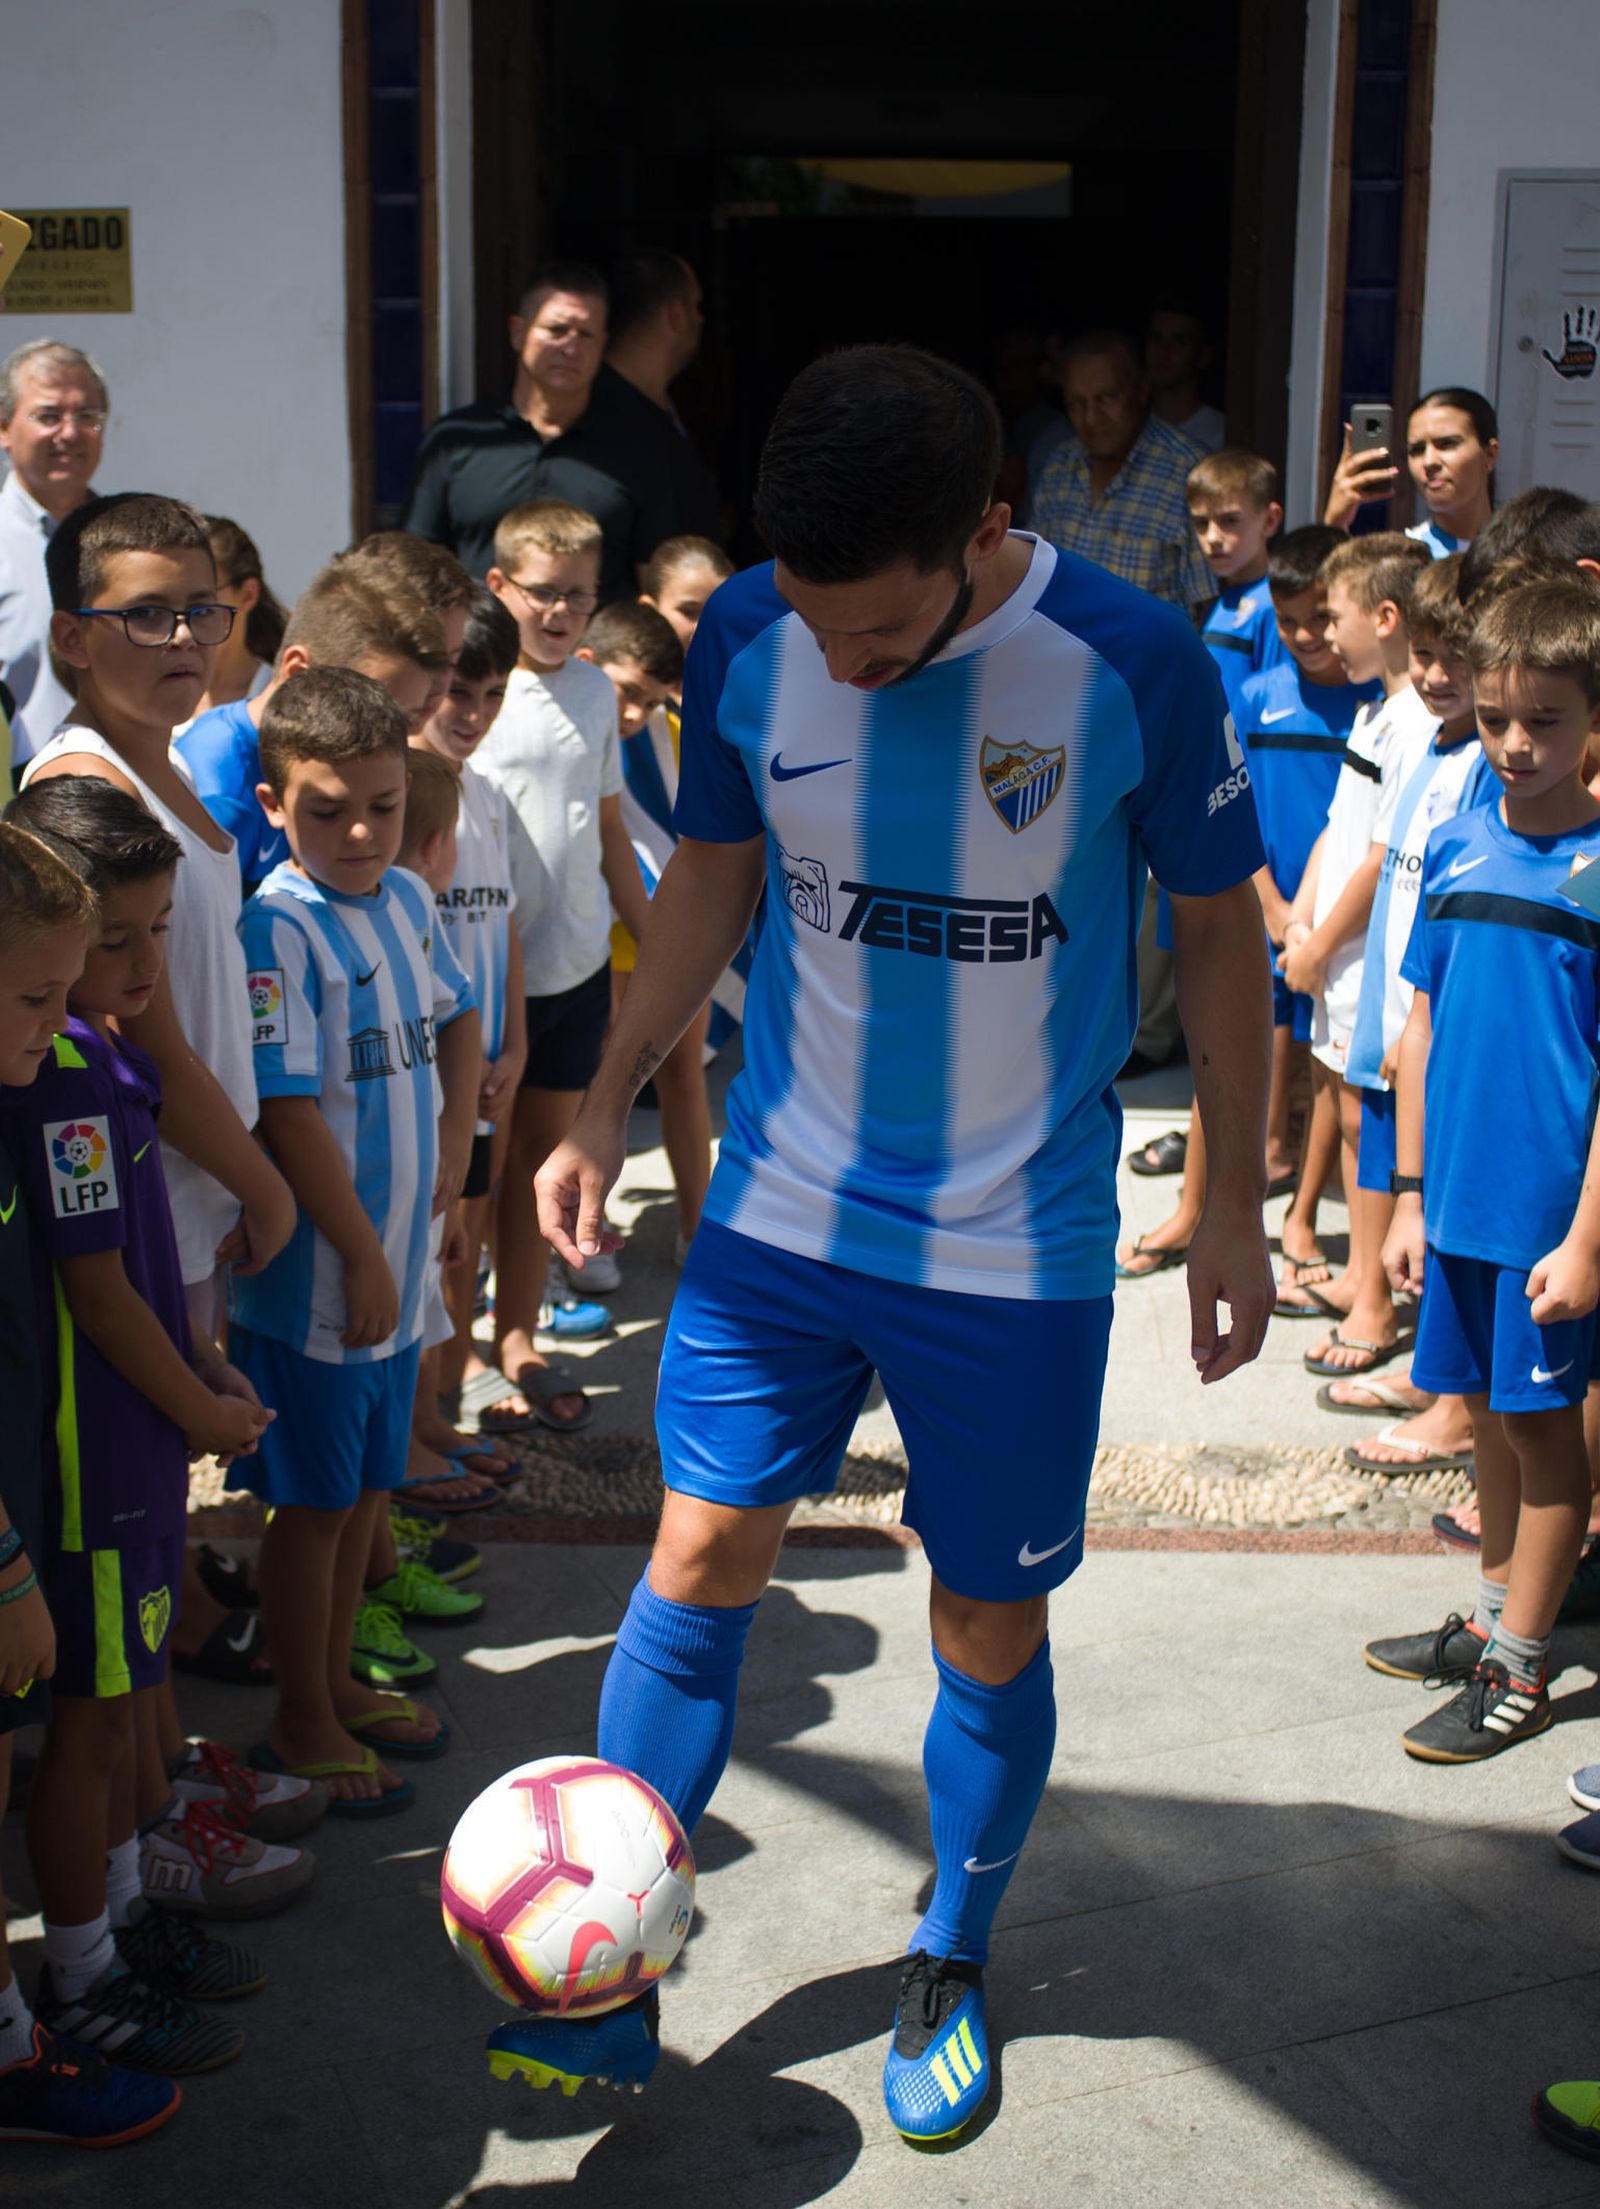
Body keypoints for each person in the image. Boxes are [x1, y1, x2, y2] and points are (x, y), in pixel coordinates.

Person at [491, 345, 1275, 2141]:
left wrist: (1228, 1196)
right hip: (779, 1210)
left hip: (1016, 1248)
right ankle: (605, 1958)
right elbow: (712, 874)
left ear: (988, 530)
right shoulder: (755, 629)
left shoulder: (1132, 662)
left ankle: (952, 1945)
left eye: (884, 640)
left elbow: (1220, 935)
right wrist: (609, 1096)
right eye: (821, 632)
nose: (840, 663)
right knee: (694, 1553)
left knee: (986, 1614)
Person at [0, 777, 295, 2072]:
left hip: (129, 1443)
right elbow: (99, 1294)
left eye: (152, 933)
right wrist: (201, 1408)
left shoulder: (101, 1055)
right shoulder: (57, 1077)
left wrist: (205, 1360)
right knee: (91, 1712)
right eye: (108, 943)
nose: (133, 965)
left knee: (122, 1699)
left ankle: (119, 1919)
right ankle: (82, 1968)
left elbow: (141, 1262)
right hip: (91, 1461)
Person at [228, 667, 478, 1808]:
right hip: (330, 1281)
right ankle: (301, 1714)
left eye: (381, 804)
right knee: (314, 1506)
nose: (361, 830)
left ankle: (333, 1682)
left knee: (368, 1493)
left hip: (395, 1268)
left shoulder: (409, 899)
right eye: (326, 810)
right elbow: (286, 1108)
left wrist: (460, 1158)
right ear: (274, 804)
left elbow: (453, 1018)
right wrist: (365, 1253)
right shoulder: (274, 929)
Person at [1364, 574, 1600, 1762]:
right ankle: (1495, 1607)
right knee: (1492, 1429)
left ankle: (1524, 1664)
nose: (1515, 743)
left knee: (1546, 1430)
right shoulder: (1457, 838)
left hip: (1548, 1221)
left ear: (1594, 721)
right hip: (1451, 1205)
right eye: (1499, 717)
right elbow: (1419, 1025)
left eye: (1546, 719)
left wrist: (1586, 1238)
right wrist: (1406, 1193)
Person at [0, 822, 176, 2145]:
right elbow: (96, 1296)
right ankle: (48, 2016)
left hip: (50, 1487)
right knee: (62, 1736)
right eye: (34, 994)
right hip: (41, 1513)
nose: (58, 1019)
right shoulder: (52, 1083)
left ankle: (49, 2004)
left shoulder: (50, 1066)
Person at [476, 499, 653, 1433]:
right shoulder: (472, 692)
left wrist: (656, 938)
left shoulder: (593, 692)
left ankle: (517, 1330)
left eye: (579, 596)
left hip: (575, 970)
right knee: (476, 1175)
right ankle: (441, 1356)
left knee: (539, 1171)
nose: (559, 612)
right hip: (485, 984)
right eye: (542, 593)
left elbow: (610, 827)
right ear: (499, 586)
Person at [1338, 555, 1492, 1475]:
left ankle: (1452, 1405)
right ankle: (1439, 1384)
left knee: (1439, 1217)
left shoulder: (1483, 759)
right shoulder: (1425, 742)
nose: (1436, 676)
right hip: (1399, 1014)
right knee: (1412, 1211)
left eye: (1456, 659)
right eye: (1426, 656)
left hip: (1426, 1023)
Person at [1279, 534, 1434, 1371]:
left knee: (1367, 1117)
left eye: (1334, 616)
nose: (1326, 634)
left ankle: (1374, 1301)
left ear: (1385, 616)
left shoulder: (1415, 723)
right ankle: (1357, 1273)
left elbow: (1382, 859)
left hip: (1365, 962)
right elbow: (1341, 830)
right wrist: (1300, 924)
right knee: (1341, 1108)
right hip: (1332, 959)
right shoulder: (1374, 709)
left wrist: (1319, 946)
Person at [1126, 451, 1286, 1192]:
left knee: (1247, 990)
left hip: (1245, 814)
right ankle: (1202, 1135)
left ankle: (1247, 1150)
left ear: (1268, 522)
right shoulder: (1219, 604)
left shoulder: (1272, 610)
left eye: (1231, 521)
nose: (1215, 537)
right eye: (1202, 524)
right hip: (1201, 799)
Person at [402, 261, 721, 600]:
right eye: (556, 330)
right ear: (518, 332)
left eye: (585, 335)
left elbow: (656, 586)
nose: (570, 348)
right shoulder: (456, 440)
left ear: (602, 346)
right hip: (480, 648)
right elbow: (416, 570)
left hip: (595, 650)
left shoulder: (640, 451)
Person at [1239, 526, 1376, 1303]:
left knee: (1331, 1071)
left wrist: (1312, 923)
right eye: (1287, 622)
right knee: (1264, 1053)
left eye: (1320, 618)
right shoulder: (1260, 695)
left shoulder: (1371, 695)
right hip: (1273, 912)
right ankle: (1247, 1192)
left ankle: (1300, 1214)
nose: (1304, 636)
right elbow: (1237, 806)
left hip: (1340, 923)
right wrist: (1272, 907)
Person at [410, 587, 527, 1432]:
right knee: (426, 1254)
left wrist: (516, 1041)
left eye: (493, 695)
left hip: (489, 1076)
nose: (475, 713)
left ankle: (445, 1417)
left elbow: (507, 926)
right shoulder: (400, 802)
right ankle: (416, 1433)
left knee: (465, 1249)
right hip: (422, 1084)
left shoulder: (487, 796)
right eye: (460, 691)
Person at [176, 556, 449, 892]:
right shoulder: (214, 789)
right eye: (370, 707)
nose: (393, 738)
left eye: (405, 720)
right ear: (297, 672)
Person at [577, 599, 712, 1257]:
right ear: (589, 663)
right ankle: (580, 1236)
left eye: (651, 702)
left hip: (664, 934)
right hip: (593, 946)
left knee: (682, 1078)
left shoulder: (679, 738)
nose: (634, 714)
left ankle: (699, 1230)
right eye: (626, 691)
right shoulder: (565, 727)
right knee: (591, 1089)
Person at [1027, 329, 1215, 612]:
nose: (1091, 418)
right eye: (1077, 404)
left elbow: (1207, 609)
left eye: (1106, 399)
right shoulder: (1060, 466)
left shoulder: (1189, 473)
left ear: (1141, 390)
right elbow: (1033, 577)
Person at [0, 340, 107, 762]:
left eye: (87, 417)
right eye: (48, 416)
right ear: (4, 428)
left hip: (124, 794)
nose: (69, 432)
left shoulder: (132, 540)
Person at [1323, 387, 1499, 556]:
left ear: (1490, 454)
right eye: (1417, 450)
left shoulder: (1523, 553)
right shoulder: (1398, 562)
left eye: (1447, 444)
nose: (1429, 462)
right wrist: (1334, 525)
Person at [178, 516, 286, 725]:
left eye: (202, 599)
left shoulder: (277, 698)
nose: (180, 622)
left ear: (247, 595)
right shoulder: (154, 693)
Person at [1144, 304, 1225, 453]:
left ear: (1204, 356)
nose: (1164, 350)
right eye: (1156, 338)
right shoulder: (1130, 428)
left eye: (1179, 341)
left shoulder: (1221, 434)